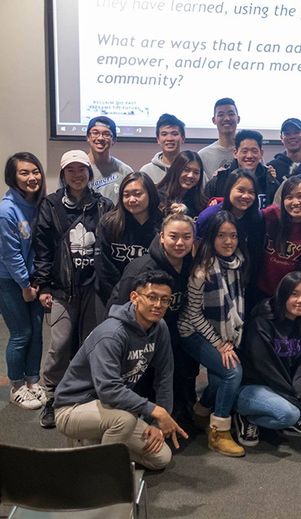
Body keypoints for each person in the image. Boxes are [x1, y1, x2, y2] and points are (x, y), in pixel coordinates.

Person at [54, 270, 188, 470]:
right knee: (124, 420)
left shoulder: (159, 328)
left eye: (165, 300)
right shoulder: (111, 334)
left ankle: (94, 447)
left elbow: (164, 375)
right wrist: (155, 410)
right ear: (135, 297)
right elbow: (109, 391)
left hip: (111, 409)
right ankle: (103, 475)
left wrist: (155, 423)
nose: (158, 305)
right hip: (73, 408)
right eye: (152, 297)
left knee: (160, 457)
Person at [33, 150, 114, 428]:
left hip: (95, 289)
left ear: (89, 174)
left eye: (82, 169)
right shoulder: (51, 205)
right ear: (64, 174)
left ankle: (83, 392)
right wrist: (43, 285)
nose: (77, 175)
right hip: (62, 289)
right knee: (60, 343)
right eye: (71, 170)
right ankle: (53, 396)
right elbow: (42, 248)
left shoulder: (104, 205)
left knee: (92, 343)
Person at [109, 204, 196, 423]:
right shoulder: (142, 269)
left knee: (182, 370)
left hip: (172, 331)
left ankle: (180, 412)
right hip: (139, 334)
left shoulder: (190, 266)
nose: (179, 243)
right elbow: (121, 312)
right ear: (161, 237)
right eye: (173, 236)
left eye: (186, 237)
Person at [177, 211, 247, 457]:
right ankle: (219, 432)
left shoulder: (237, 263)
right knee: (231, 372)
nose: (228, 242)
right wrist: (220, 344)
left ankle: (201, 411)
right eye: (221, 236)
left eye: (233, 235)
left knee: (218, 380)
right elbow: (193, 316)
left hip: (221, 333)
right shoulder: (202, 270)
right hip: (191, 332)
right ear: (210, 238)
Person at [234, 271, 301, 445]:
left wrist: (298, 388)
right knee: (289, 414)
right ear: (283, 293)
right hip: (255, 385)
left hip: (284, 383)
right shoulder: (263, 319)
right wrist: (294, 397)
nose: (300, 300)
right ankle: (247, 418)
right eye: (294, 294)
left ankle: (292, 422)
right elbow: (267, 367)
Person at [0, 152, 47, 410]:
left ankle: (33, 382)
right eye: (24, 173)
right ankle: (16, 386)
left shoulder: (38, 204)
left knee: (36, 333)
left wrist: (36, 281)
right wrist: (25, 286)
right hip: (10, 283)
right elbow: (10, 254)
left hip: (32, 280)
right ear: (12, 177)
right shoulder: (6, 211)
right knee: (21, 334)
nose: (31, 177)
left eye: (35, 171)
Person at [95, 172, 163, 307]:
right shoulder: (109, 223)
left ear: (150, 194)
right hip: (112, 296)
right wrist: (122, 293)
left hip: (153, 299)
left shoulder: (163, 224)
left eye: (138, 194)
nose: (132, 199)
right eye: (126, 195)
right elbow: (103, 265)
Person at [196, 169, 265, 285]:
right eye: (240, 190)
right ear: (229, 190)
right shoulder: (208, 216)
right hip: (212, 277)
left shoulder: (257, 218)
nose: (246, 196)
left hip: (245, 278)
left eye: (251, 192)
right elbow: (196, 248)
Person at [258, 176, 301, 298]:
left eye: (300, 196)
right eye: (289, 197)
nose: (295, 202)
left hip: (296, 297)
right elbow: (246, 213)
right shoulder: (272, 215)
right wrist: (219, 201)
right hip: (263, 293)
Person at [204, 129, 279, 210]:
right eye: (245, 151)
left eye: (254, 151)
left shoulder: (271, 182)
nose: (249, 156)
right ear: (235, 153)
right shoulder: (220, 180)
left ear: (261, 154)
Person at [84, 116, 133, 201]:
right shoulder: (76, 168)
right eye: (95, 133)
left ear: (113, 140)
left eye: (106, 134)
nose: (100, 138)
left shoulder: (125, 171)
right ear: (88, 137)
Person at [156, 150, 208, 220]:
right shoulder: (158, 196)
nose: (191, 175)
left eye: (196, 172)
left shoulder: (201, 202)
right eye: (186, 170)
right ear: (176, 170)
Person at [198, 97, 240, 179]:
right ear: (214, 120)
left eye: (231, 114)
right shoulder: (203, 155)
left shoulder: (250, 152)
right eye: (221, 115)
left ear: (238, 119)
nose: (227, 118)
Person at [140, 113, 186, 185]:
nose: (169, 138)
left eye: (174, 134)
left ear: (183, 138)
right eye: (164, 134)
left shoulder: (192, 170)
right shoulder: (147, 171)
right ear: (158, 139)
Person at [268, 118, 301, 183]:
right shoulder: (273, 168)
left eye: (296, 132)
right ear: (281, 138)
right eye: (287, 133)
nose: (292, 136)